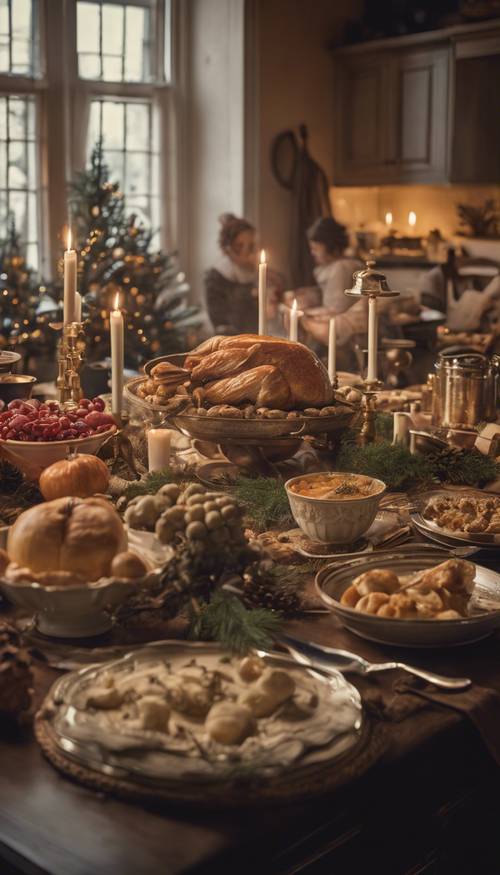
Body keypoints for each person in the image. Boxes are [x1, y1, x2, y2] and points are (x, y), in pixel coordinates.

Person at [204, 213, 283, 335]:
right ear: (227, 247)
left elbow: (279, 284)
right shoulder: (216, 276)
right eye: (239, 246)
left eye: (250, 246)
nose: (246, 252)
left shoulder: (255, 269)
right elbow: (221, 319)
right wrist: (253, 295)